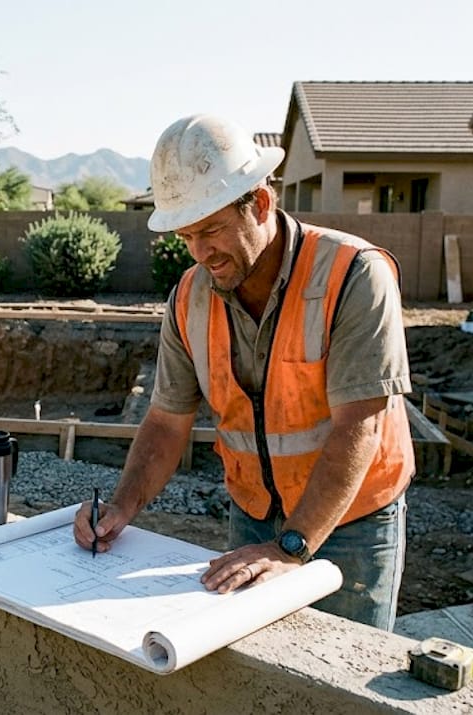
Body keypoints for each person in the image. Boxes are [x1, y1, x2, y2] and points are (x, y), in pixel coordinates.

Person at [73, 113, 414, 630]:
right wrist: (121, 506)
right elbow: (166, 422)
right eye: (187, 235)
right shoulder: (189, 297)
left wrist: (290, 547)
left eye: (211, 230)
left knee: (338, 680)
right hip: (252, 514)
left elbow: (359, 427)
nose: (199, 252)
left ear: (258, 203)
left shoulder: (353, 275)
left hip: (352, 522)